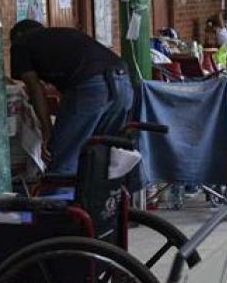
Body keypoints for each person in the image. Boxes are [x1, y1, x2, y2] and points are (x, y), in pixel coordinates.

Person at [8, 20, 134, 177]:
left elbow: (35, 88)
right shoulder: (61, 36)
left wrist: (48, 132)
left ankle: (60, 191)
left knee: (60, 160)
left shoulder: (21, 43)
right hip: (123, 80)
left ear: (18, 35)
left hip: (91, 86)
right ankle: (101, 192)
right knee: (102, 157)